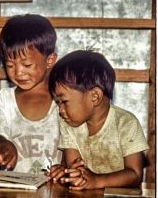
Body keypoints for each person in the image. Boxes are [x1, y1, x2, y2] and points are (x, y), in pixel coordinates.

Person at [47, 50, 148, 190]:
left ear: (94, 96)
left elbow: (135, 175)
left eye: (63, 101)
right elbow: (75, 168)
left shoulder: (126, 123)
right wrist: (65, 172)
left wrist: (97, 181)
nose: (60, 110)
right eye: (57, 103)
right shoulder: (69, 123)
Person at [0, 14, 61, 174]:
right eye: (10, 65)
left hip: (57, 190)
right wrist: (3, 146)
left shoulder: (63, 99)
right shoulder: (5, 99)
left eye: (27, 64)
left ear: (50, 60)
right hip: (15, 193)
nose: (18, 72)